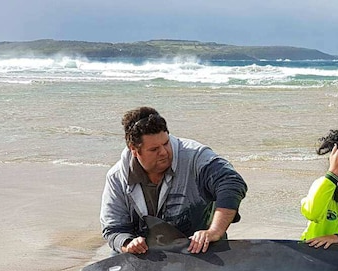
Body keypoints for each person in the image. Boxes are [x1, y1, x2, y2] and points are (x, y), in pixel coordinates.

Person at [100, 106, 247, 255]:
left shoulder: (195, 157)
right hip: (142, 256)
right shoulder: (117, 177)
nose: (163, 152)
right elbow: (113, 228)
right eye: (154, 149)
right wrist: (127, 244)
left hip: (199, 249)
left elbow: (231, 182)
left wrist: (215, 231)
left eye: (166, 143)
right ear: (134, 150)